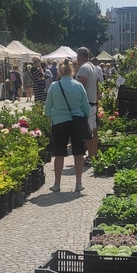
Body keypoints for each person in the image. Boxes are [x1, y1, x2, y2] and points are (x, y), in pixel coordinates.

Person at [44, 58, 89, 193]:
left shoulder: (54, 86)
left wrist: (51, 116)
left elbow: (47, 108)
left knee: (59, 153)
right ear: (72, 71)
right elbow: (86, 106)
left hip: (59, 122)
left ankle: (57, 184)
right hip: (77, 121)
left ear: (59, 71)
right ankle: (79, 183)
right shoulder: (78, 86)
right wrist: (85, 116)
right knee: (78, 153)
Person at [75, 47, 101, 161]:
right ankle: (94, 153)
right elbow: (96, 86)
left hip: (88, 104)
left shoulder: (84, 69)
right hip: (93, 102)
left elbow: (80, 86)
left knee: (89, 131)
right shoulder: (92, 67)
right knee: (94, 129)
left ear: (79, 56)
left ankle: (90, 156)